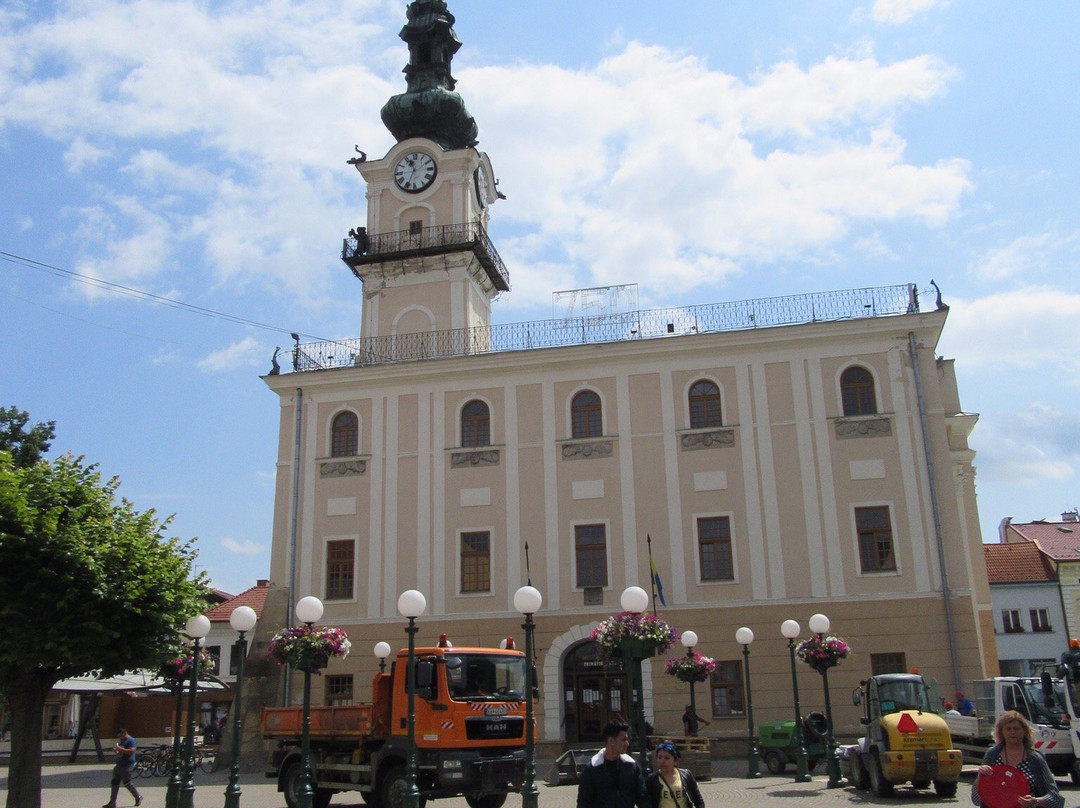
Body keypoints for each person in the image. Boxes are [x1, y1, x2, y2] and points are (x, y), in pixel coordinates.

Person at [971, 710, 1062, 808]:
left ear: (1024, 731)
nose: (1012, 732)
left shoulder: (1035, 758)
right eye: (1008, 729)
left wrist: (1035, 801)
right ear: (1001, 732)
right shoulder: (992, 755)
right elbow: (976, 800)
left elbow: (1056, 799)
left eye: (1016, 729)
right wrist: (980, 778)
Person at [577, 720, 648, 808]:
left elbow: (642, 797)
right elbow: (583, 802)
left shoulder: (632, 767)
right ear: (611, 741)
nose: (627, 744)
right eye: (623, 740)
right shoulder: (591, 770)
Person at [646, 740, 705, 808]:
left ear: (675, 761)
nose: (662, 761)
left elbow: (698, 801)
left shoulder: (686, 775)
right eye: (659, 757)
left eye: (667, 758)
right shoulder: (651, 779)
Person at [102, 728, 142, 808]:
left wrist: (119, 749)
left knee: (127, 783)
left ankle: (138, 796)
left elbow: (131, 751)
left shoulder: (131, 740)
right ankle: (112, 802)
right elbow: (121, 751)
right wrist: (117, 751)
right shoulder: (122, 741)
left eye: (120, 736)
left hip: (127, 765)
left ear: (124, 733)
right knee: (114, 783)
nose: (120, 738)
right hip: (119, 765)